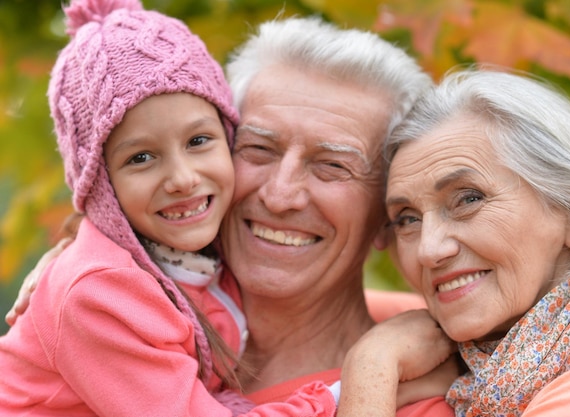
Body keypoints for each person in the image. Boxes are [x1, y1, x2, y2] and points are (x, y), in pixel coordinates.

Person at [4, 13, 458, 417]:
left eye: (333, 166)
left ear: (389, 215)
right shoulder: (116, 298)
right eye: (258, 149)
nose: (281, 197)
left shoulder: (428, 387)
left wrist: (376, 368)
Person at [337, 67, 570, 417]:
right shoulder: (475, 363)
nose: (429, 250)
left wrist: (371, 368)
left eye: (468, 199)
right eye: (408, 219)